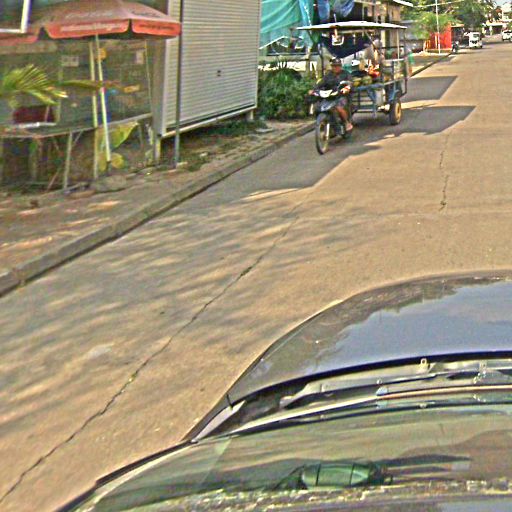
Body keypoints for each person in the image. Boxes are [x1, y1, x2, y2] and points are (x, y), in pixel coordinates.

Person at [310, 57, 353, 131]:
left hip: (341, 96)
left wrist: (347, 88)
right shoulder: (328, 75)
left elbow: (350, 83)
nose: (336, 67)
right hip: (329, 96)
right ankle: (322, 122)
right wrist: (313, 90)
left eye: (338, 66)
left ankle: (346, 123)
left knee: (339, 108)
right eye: (334, 66)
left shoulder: (346, 74)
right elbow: (320, 83)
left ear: (340, 66)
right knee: (317, 107)